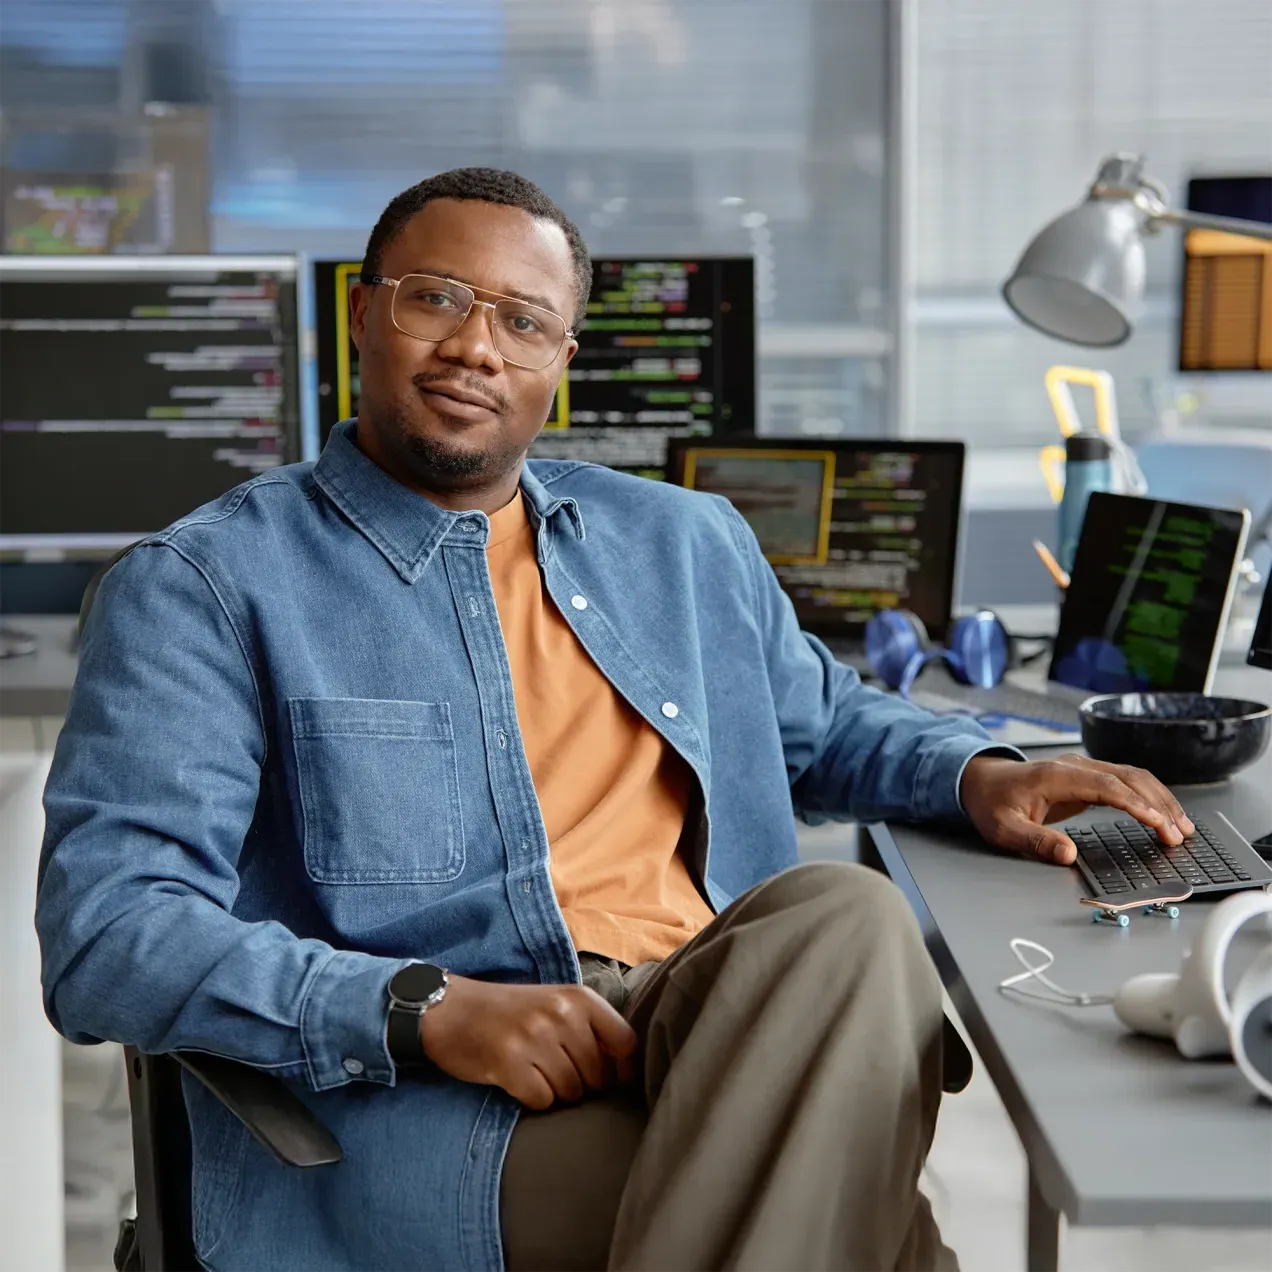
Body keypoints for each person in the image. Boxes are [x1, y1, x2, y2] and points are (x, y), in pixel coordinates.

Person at [35, 168, 1193, 1272]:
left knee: (846, 912)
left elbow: (822, 724)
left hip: (713, 1021)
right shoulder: (204, 586)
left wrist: (980, 775)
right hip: (430, 1106)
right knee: (869, 1216)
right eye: (437, 299)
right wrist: (421, 1010)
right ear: (363, 312)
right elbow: (108, 936)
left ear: (563, 359)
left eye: (523, 322)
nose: (475, 347)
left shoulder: (679, 542)